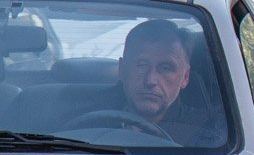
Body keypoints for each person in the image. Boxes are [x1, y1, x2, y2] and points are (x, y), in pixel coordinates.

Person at [85, 19, 221, 145]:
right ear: (122, 69)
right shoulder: (88, 120)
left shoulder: (209, 133)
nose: (150, 80)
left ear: (185, 77)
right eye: (141, 65)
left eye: (166, 68)